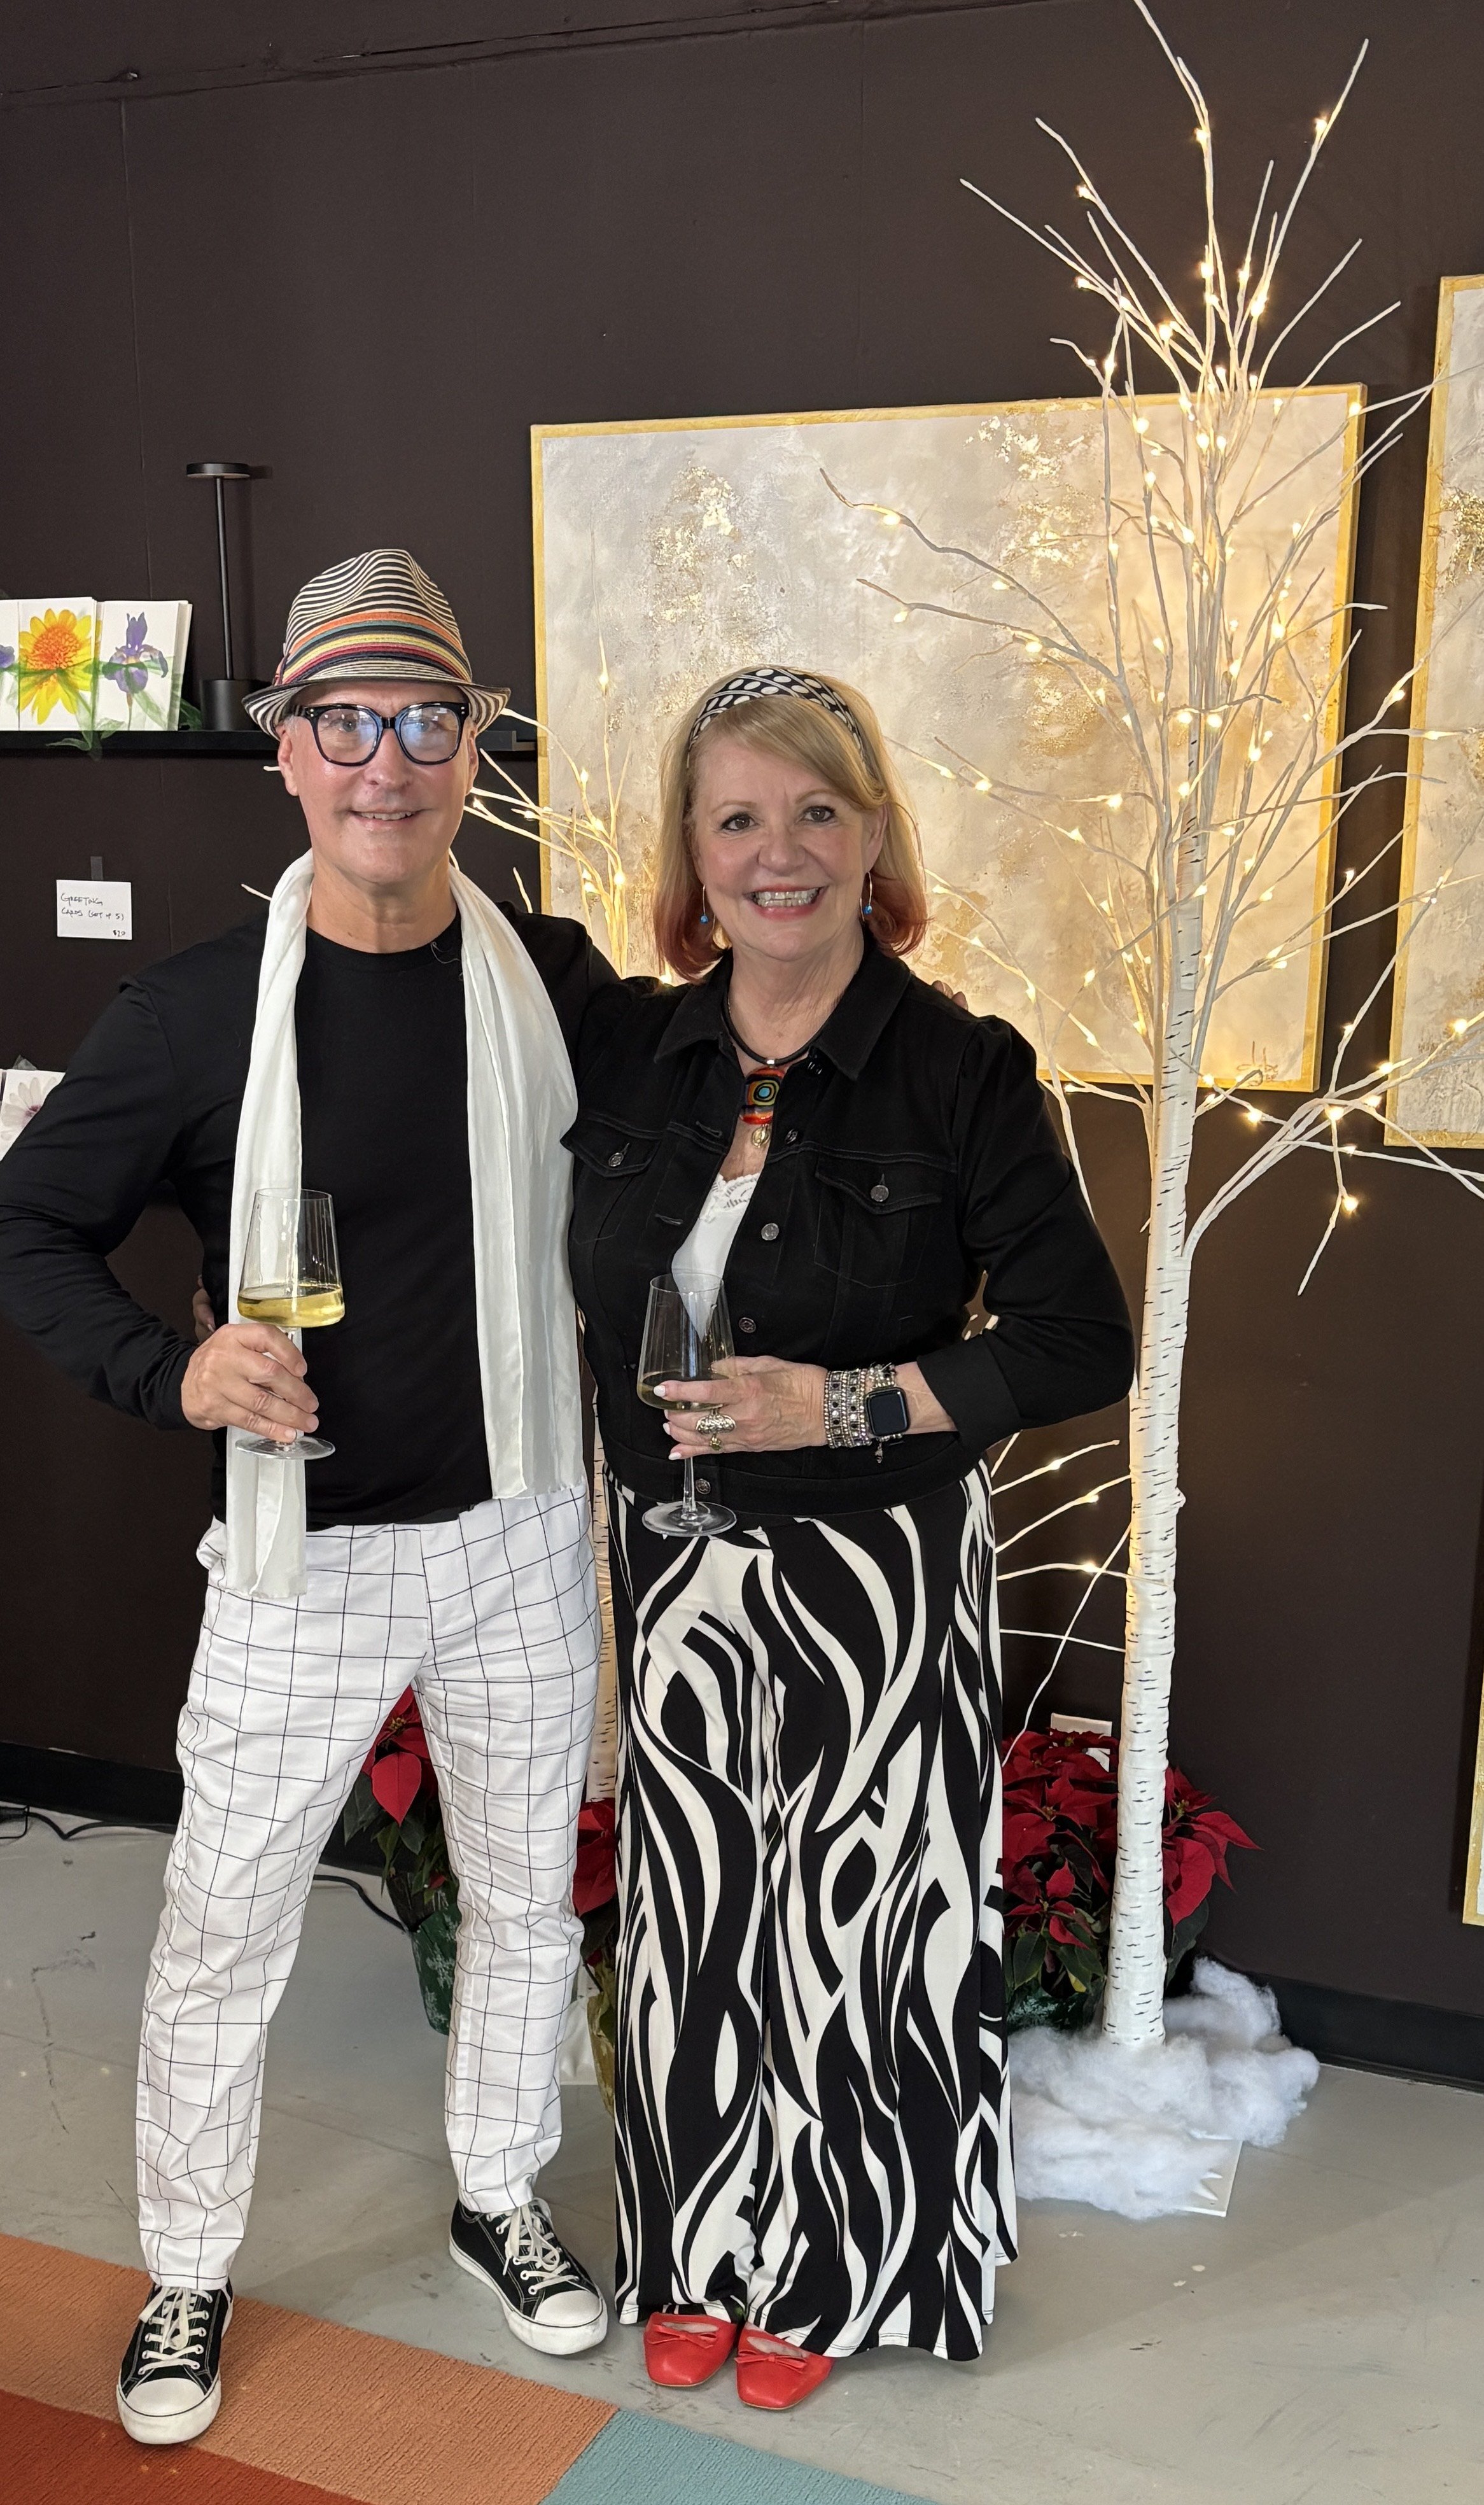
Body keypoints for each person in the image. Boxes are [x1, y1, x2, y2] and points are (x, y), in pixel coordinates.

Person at [0, 551, 619, 2447]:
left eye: (425, 722)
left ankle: (498, 2193)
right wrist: (172, 1370)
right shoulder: (195, 1017)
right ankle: (189, 2269)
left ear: (473, 751)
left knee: (527, 1901)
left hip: (522, 1529)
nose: (385, 764)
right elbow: (31, 1227)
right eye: (346, 722)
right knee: (224, 1923)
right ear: (285, 750)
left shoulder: (554, 985)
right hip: (302, 1553)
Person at [567, 664, 1135, 2410]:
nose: (780, 852)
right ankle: (696, 2245)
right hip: (675, 1553)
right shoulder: (631, 1053)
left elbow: (1078, 1340)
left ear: (874, 833)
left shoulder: (960, 1071)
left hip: (875, 1571)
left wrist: (847, 1405)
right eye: (737, 818)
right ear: (691, 853)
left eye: (817, 811)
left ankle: (835, 2259)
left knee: (858, 1918)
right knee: (695, 1909)